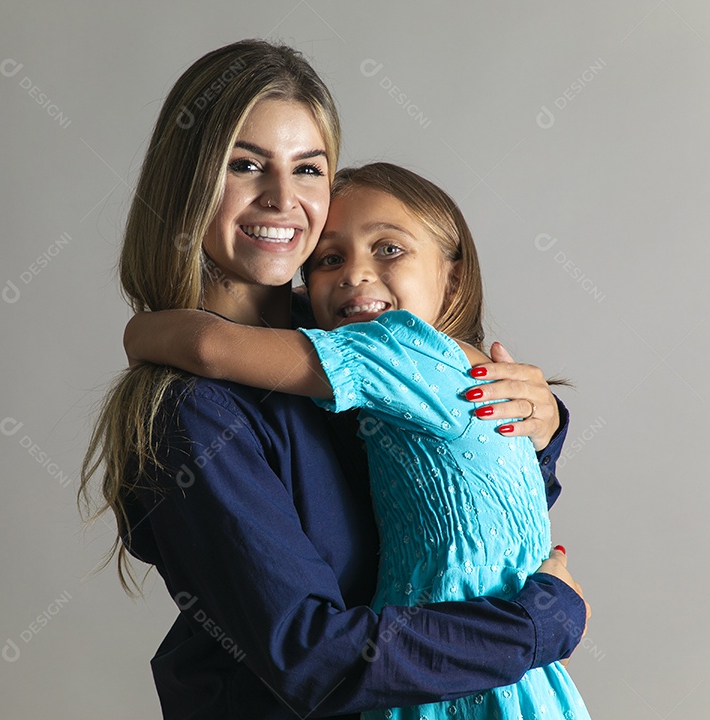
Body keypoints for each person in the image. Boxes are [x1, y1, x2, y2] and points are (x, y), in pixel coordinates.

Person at [80, 39, 588, 719]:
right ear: (188, 186)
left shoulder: (355, 338)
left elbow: (452, 512)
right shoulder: (193, 411)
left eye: (308, 169)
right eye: (245, 165)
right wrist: (534, 625)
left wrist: (535, 423)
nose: (281, 199)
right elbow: (311, 657)